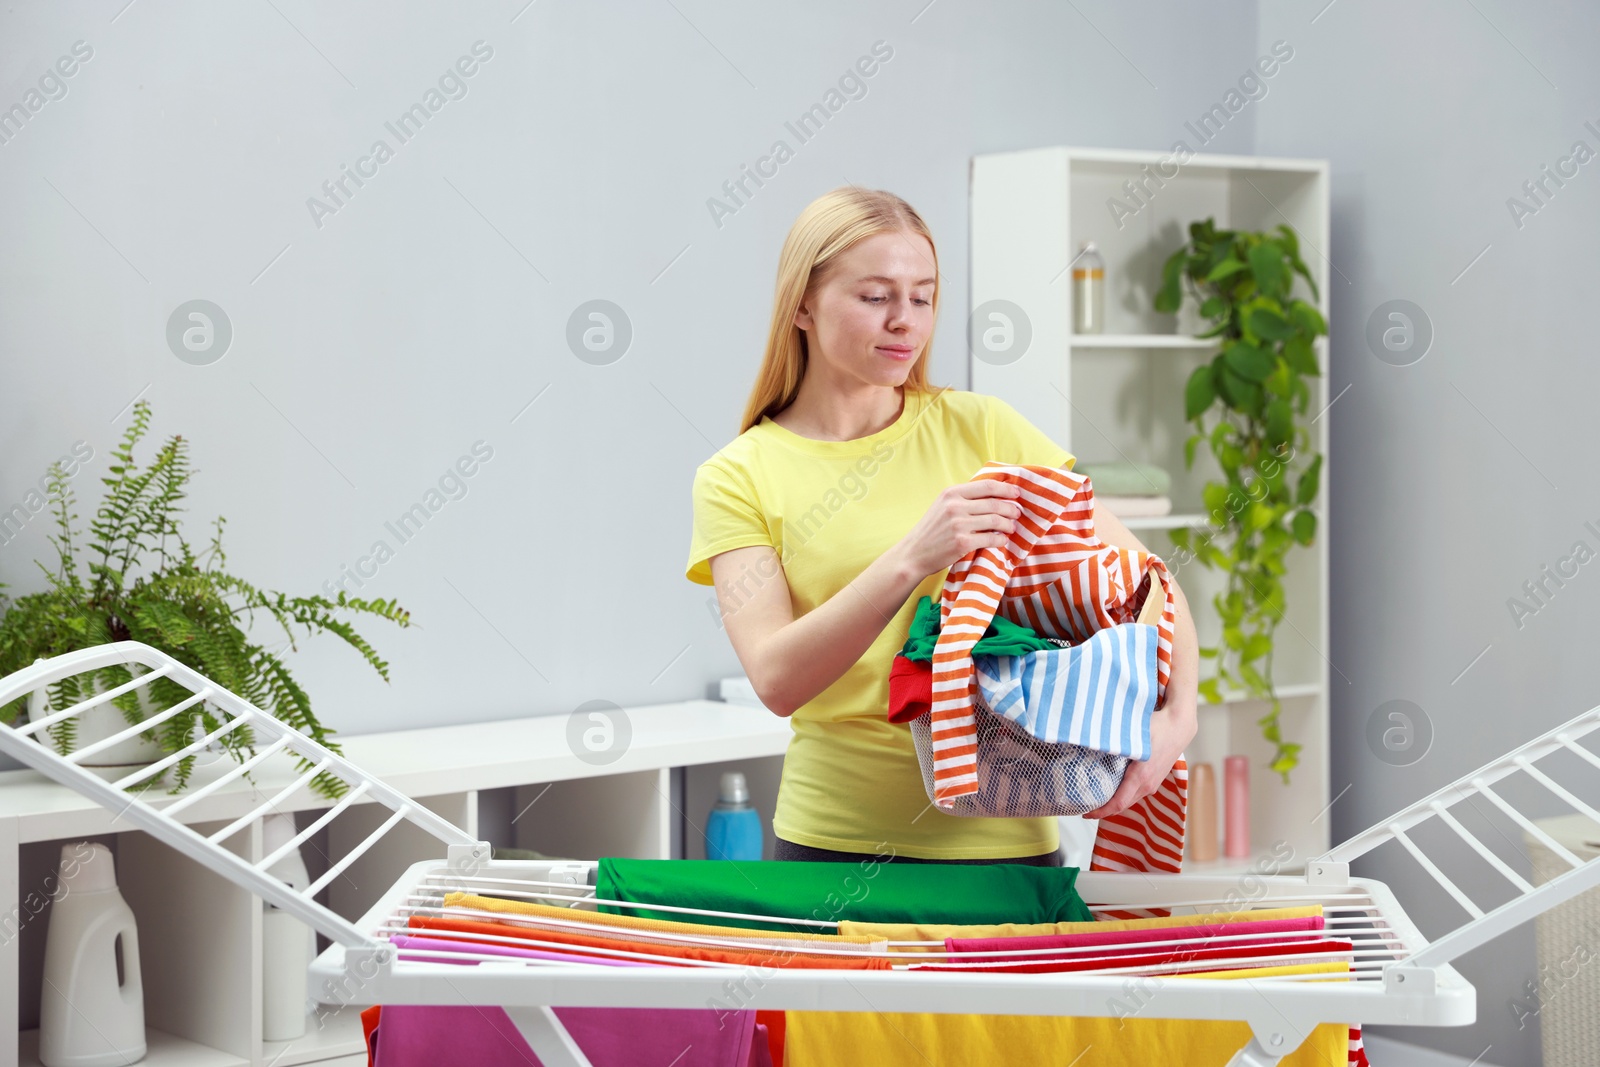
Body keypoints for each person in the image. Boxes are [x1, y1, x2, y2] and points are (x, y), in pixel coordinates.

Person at [685, 186, 1199, 866]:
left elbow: (1147, 582)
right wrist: (911, 558)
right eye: (875, 297)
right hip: (833, 843)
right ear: (802, 304)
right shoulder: (739, 474)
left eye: (922, 297)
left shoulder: (983, 429)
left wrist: (1179, 718)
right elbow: (777, 678)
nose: (905, 321)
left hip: (1008, 844)